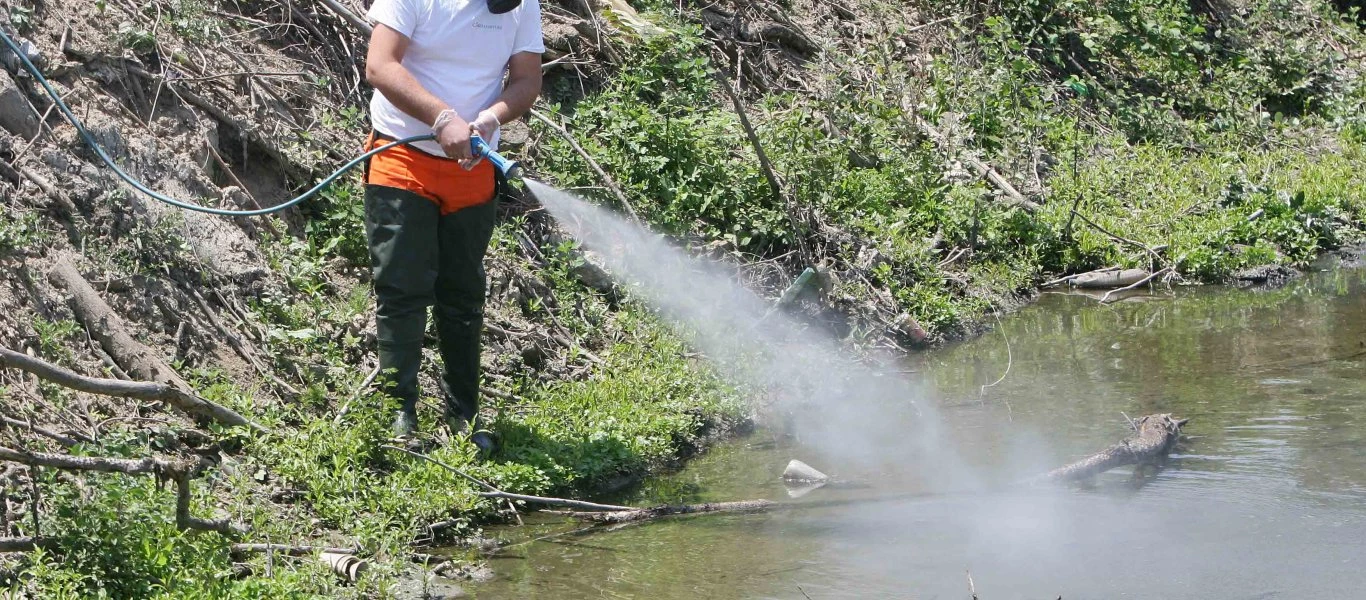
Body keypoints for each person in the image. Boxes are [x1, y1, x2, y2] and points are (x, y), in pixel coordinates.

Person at [362, 0, 544, 451]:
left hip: (472, 166)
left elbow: (526, 81)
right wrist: (441, 117)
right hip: (402, 153)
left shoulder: (523, 5)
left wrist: (490, 117)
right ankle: (398, 415)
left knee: (462, 292)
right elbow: (381, 64)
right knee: (401, 286)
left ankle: (463, 414)